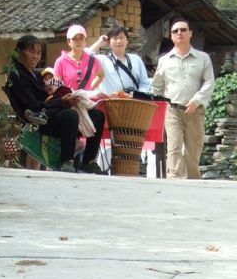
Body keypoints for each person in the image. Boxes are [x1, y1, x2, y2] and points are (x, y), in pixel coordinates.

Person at [4, 34, 104, 173]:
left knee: (97, 116)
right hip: (38, 121)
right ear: (20, 52)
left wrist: (62, 99)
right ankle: (66, 161)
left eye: (38, 53)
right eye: (31, 51)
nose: (35, 56)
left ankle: (88, 161)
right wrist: (61, 102)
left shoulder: (36, 75)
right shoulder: (16, 75)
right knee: (70, 115)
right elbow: (33, 105)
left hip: (49, 112)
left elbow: (46, 99)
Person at [151, 17, 215, 179]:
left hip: (195, 110)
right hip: (172, 110)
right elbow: (156, 86)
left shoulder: (203, 58)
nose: (179, 33)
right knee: (173, 148)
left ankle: (193, 181)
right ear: (171, 36)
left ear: (190, 33)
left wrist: (197, 100)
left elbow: (209, 83)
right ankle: (174, 180)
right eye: (175, 31)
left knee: (193, 150)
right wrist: (156, 107)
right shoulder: (164, 61)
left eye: (183, 30)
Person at [89, 25, 151, 97]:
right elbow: (84, 58)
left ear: (127, 41)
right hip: (110, 104)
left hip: (134, 104)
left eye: (121, 38)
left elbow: (145, 83)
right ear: (109, 42)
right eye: (115, 38)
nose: (118, 41)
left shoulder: (136, 59)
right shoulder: (102, 60)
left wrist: (136, 96)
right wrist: (99, 43)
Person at [53, 24, 104, 91]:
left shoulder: (93, 60)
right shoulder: (60, 62)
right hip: (69, 100)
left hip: (87, 100)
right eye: (74, 38)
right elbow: (56, 86)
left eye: (81, 38)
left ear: (85, 40)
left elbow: (101, 75)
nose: (78, 41)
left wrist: (91, 88)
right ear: (69, 42)